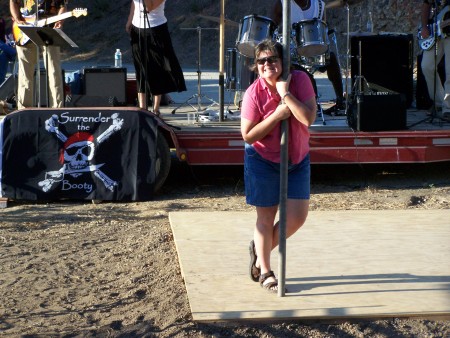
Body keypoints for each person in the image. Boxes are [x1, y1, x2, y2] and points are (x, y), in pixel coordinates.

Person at [240, 39, 316, 293]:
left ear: (284, 62)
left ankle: (259, 249)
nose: (267, 65)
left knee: (296, 218)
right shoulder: (253, 93)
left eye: (272, 59)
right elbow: (248, 135)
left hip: (297, 159)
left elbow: (307, 118)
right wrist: (276, 115)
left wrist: (285, 94)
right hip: (263, 160)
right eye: (261, 61)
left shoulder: (300, 80)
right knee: (266, 217)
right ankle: (266, 272)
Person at [272, 0, 345, 114]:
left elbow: (323, 29)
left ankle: (341, 101)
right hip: (292, 54)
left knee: (332, 58)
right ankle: (312, 107)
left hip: (315, 51)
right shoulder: (282, 4)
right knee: (305, 75)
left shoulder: (320, 5)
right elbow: (272, 30)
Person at [126, 0, 186, 116]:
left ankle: (156, 109)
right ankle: (142, 109)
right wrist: (129, 20)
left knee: (157, 69)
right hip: (137, 29)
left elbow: (149, 7)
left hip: (156, 30)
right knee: (141, 70)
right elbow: (134, 3)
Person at [9, 0, 66, 109]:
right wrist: (17, 19)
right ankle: (24, 109)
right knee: (25, 71)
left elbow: (62, 6)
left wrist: (60, 21)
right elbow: (13, 1)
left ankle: (57, 108)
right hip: (25, 28)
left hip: (50, 28)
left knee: (53, 69)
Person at [420, 0, 450, 120]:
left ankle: (448, 107)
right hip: (436, 32)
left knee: (449, 72)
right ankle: (439, 102)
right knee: (427, 66)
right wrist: (424, 26)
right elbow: (426, 5)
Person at [0, 17, 17, 85]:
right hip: (2, 45)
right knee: (12, 53)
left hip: (3, 47)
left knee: (4, 55)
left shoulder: (2, 21)